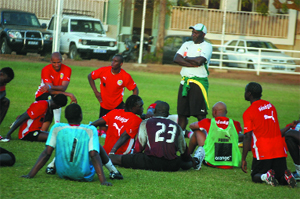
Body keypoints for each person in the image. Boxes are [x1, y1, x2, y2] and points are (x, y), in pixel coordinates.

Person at [22, 103, 123, 185]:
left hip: (62, 172)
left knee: (65, 144)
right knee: (97, 147)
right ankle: (113, 171)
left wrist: (30, 174)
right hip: (84, 175)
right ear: (81, 116)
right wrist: (103, 181)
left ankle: (51, 166)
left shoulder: (57, 127)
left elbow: (46, 153)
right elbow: (94, 154)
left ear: (65, 116)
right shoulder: (90, 129)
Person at [109, 101, 196, 171]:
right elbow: (184, 151)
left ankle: (105, 158)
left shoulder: (146, 122)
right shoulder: (177, 126)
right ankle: (195, 161)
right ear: (168, 114)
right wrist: (188, 160)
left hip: (149, 161)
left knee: (116, 158)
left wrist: (134, 158)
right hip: (171, 165)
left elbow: (139, 147)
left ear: (154, 112)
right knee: (186, 163)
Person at [241, 82, 296, 188]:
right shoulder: (271, 106)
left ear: (249, 94)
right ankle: (286, 177)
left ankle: (265, 176)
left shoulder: (249, 112)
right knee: (279, 176)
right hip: (279, 150)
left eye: (245, 91)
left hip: (263, 150)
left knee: (255, 175)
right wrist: (289, 127)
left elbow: (247, 137)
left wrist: (243, 159)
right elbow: (276, 131)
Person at [173, 23, 213, 137]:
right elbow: (176, 58)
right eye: (192, 32)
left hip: (198, 83)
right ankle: (178, 141)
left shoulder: (207, 46)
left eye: (196, 33)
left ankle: (204, 143)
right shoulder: (187, 44)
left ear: (203, 34)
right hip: (184, 82)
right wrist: (190, 63)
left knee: (200, 116)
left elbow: (199, 61)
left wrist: (184, 58)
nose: (193, 35)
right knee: (182, 115)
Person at [88, 54, 139, 136]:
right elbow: (90, 76)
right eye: (112, 60)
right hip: (104, 105)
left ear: (121, 64)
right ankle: (91, 126)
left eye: (115, 61)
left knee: (114, 131)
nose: (112, 63)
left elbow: (135, 89)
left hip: (117, 106)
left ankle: (93, 126)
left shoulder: (125, 76)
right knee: (103, 131)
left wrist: (132, 104)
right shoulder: (104, 70)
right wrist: (96, 92)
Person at [188, 101, 243, 170]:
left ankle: (188, 156)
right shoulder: (235, 123)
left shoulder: (209, 122)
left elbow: (192, 126)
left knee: (197, 131)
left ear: (214, 112)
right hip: (230, 163)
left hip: (211, 162)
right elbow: (241, 135)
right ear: (226, 112)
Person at [35, 52, 77, 131]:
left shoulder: (67, 69)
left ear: (62, 60)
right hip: (42, 94)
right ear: (51, 61)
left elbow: (63, 88)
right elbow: (50, 91)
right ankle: (51, 128)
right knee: (53, 102)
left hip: (54, 94)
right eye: (54, 62)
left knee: (60, 99)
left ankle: (56, 125)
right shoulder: (45, 69)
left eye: (59, 62)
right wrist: (69, 94)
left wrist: (50, 86)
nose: (57, 65)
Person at [3, 94, 68, 142]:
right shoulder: (41, 106)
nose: (58, 108)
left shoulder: (46, 105)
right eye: (59, 107)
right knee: (56, 137)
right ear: (57, 105)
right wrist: (8, 134)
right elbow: (22, 117)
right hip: (28, 133)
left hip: (36, 131)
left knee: (57, 134)